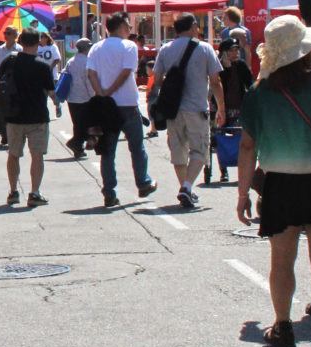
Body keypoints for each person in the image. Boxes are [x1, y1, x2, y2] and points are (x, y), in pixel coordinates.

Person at [236, 15, 311, 347]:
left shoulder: (259, 92)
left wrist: (242, 193)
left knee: (281, 260)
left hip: (279, 186)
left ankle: (282, 326)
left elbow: (247, 147)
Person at [153, 14, 224, 210]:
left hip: (173, 110)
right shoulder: (205, 48)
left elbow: (157, 80)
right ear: (194, 26)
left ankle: (186, 188)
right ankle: (187, 187)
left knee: (178, 152)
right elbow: (215, 82)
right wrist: (221, 108)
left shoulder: (166, 50)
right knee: (199, 150)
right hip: (197, 109)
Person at [87, 12, 157, 208]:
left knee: (108, 151)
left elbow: (90, 73)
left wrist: (102, 92)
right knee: (136, 146)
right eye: (128, 26)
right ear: (122, 26)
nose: (130, 30)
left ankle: (109, 192)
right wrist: (110, 90)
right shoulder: (129, 46)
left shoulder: (96, 48)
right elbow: (127, 72)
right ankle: (142, 182)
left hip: (105, 106)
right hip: (126, 103)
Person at [0, 30, 57, 206]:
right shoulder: (42, 65)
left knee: (13, 154)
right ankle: (34, 193)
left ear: (20, 42)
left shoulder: (9, 61)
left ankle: (13, 191)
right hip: (37, 117)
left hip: (14, 116)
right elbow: (51, 92)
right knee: (37, 156)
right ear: (38, 43)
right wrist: (56, 102)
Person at [63, 38, 94, 158]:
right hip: (84, 97)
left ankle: (79, 147)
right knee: (85, 123)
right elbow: (89, 80)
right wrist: (93, 95)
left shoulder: (71, 61)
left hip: (72, 96)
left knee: (77, 123)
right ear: (86, 48)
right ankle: (75, 143)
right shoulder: (87, 62)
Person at [37, 32, 64, 118]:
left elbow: (57, 58)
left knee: (53, 95)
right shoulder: (37, 48)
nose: (40, 39)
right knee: (42, 96)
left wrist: (50, 67)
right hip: (40, 76)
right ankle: (44, 114)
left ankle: (57, 105)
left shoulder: (52, 47)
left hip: (51, 75)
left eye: (41, 37)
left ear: (46, 38)